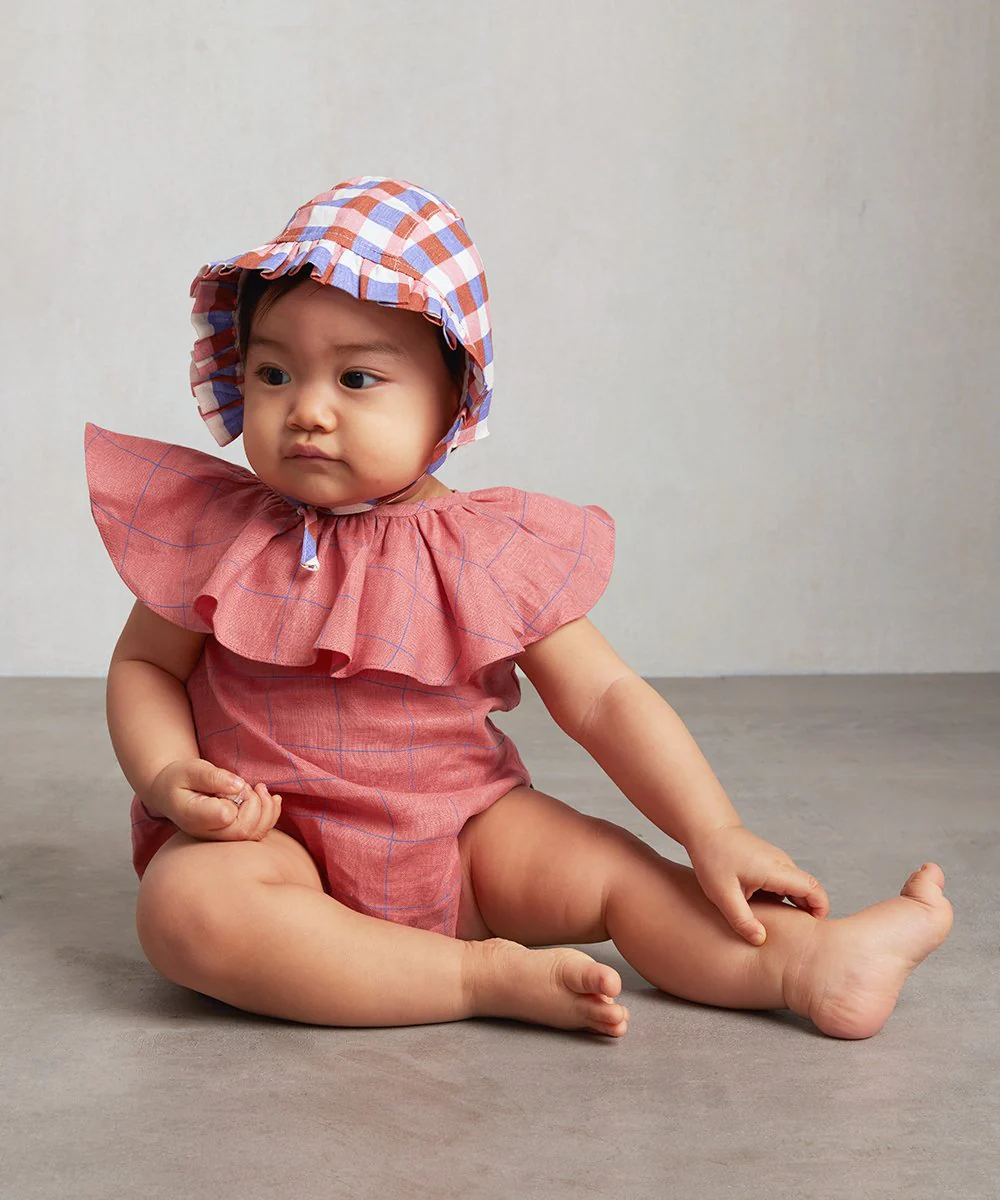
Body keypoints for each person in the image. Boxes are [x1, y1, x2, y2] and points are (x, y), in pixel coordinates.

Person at [85, 175, 952, 1039]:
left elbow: (605, 698)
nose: (307, 411)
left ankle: (810, 964)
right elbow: (146, 667)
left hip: (467, 837)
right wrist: (166, 774)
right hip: (272, 845)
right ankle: (475, 977)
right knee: (187, 908)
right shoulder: (222, 534)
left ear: (449, 402)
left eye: (356, 377)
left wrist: (712, 829)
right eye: (274, 373)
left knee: (624, 877)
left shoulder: (487, 546)